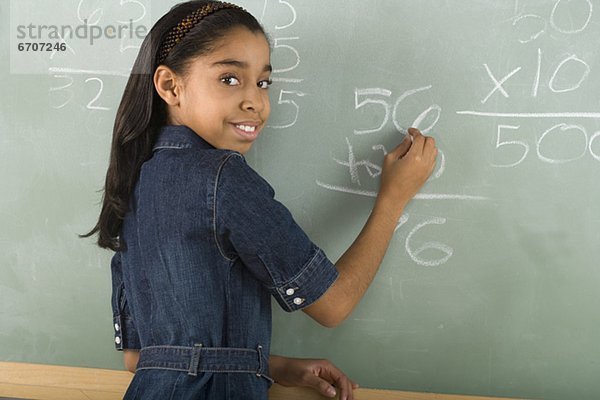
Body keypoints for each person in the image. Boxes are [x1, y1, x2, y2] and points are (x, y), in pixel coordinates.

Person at [84, 1, 438, 399]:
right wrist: (393, 197)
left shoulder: (132, 186)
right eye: (230, 79)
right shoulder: (223, 178)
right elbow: (333, 305)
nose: (255, 100)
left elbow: (139, 358)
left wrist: (271, 367)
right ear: (170, 86)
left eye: (263, 83)